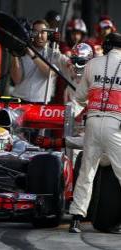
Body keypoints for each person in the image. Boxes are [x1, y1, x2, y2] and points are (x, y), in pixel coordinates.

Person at [69, 32, 121, 234]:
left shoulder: (92, 65)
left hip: (92, 122)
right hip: (116, 125)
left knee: (86, 172)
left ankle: (76, 219)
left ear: (106, 47)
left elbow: (80, 97)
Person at [10, 19, 69, 104]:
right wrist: (14, 54)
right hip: (19, 100)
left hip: (40, 104)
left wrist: (33, 55)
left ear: (48, 34)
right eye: (35, 32)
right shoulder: (23, 51)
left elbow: (49, 73)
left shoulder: (52, 53)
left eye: (43, 32)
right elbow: (16, 80)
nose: (39, 36)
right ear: (31, 34)